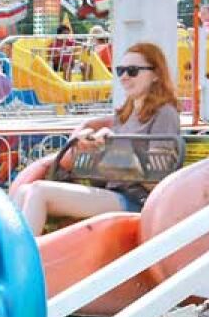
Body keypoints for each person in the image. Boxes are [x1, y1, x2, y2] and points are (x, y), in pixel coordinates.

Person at [12, 42, 181, 235]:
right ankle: (8, 259)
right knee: (24, 191)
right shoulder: (126, 114)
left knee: (38, 192)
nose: (124, 77)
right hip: (113, 193)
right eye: (121, 70)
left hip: (137, 200)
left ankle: (24, 262)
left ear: (156, 75)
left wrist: (113, 149)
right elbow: (108, 165)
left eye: (133, 71)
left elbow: (158, 178)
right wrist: (92, 144)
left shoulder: (165, 114)